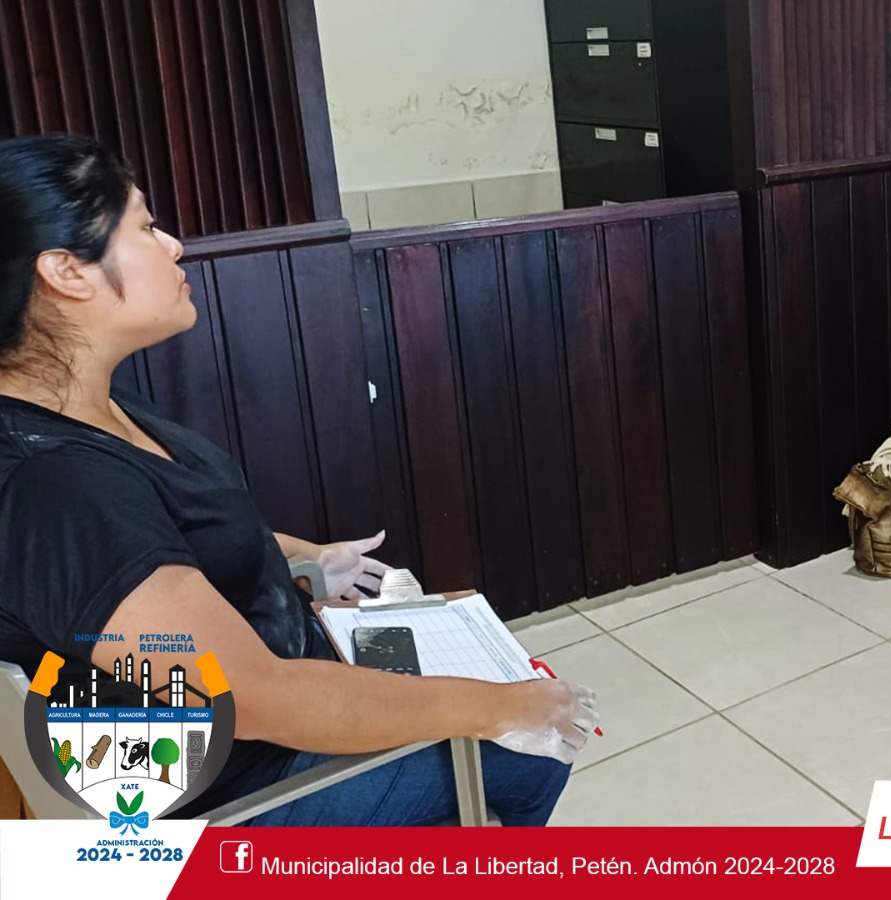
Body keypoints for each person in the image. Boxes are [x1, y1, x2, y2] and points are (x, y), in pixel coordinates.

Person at [0, 134, 598, 824]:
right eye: (145, 227)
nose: (174, 247)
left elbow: (164, 543)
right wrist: (499, 706)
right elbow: (253, 698)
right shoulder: (56, 485)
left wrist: (299, 556)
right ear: (67, 272)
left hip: (265, 718)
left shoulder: (88, 406)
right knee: (529, 753)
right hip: (246, 789)